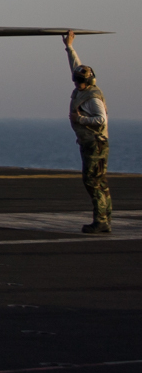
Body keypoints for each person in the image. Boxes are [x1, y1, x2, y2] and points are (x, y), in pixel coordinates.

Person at [64, 32, 111, 233]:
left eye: (79, 81)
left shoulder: (92, 97)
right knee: (98, 181)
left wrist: (80, 119)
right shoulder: (84, 88)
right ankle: (104, 219)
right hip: (90, 142)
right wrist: (69, 46)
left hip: (95, 142)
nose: (76, 83)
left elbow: (102, 119)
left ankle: (101, 220)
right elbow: (75, 66)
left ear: (87, 81)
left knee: (93, 180)